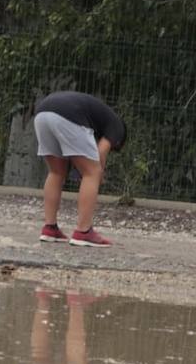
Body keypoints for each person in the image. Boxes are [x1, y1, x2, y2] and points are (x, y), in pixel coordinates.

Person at [33, 90, 127, 247]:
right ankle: (84, 232)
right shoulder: (118, 128)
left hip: (42, 113)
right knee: (92, 172)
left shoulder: (100, 117)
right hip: (68, 115)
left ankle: (50, 228)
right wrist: (98, 176)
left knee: (56, 172)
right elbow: (101, 153)